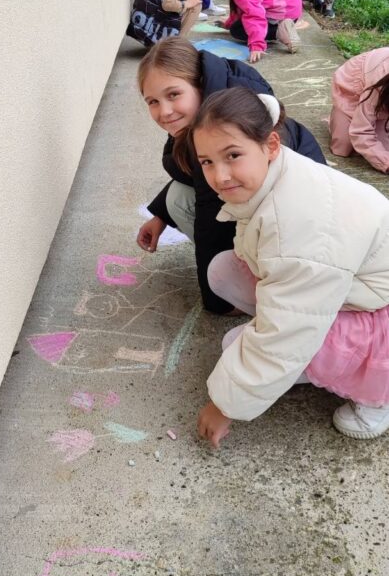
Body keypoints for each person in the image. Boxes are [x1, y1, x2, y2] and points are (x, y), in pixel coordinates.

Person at [187, 88, 389, 444]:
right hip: (356, 286)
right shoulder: (279, 173)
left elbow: (289, 331)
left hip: (380, 315)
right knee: (223, 270)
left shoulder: (298, 224)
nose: (220, 176)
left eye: (232, 155)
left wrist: (225, 404)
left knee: (239, 344)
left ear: (271, 145)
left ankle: (377, 397)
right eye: (207, 162)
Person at [136, 37, 326, 314]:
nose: (164, 111)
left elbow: (210, 214)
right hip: (267, 206)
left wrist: (218, 302)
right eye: (153, 101)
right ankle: (249, 270)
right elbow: (194, 175)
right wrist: (161, 215)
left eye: (173, 94)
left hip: (302, 225)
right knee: (177, 197)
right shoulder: (202, 117)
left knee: (224, 225)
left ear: (199, 84)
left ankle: (274, 288)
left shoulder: (230, 124)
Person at [329, 47, 389, 173]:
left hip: (381, 99)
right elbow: (361, 131)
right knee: (342, 147)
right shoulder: (379, 84)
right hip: (354, 86)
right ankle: (342, 114)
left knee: (383, 148)